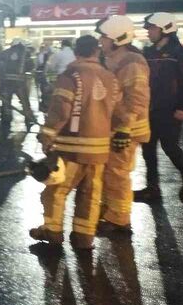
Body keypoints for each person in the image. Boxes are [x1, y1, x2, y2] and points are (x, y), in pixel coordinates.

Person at [30, 35, 122, 250]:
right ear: (96, 52)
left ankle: (52, 230)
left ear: (76, 52)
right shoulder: (110, 77)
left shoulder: (71, 75)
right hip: (99, 148)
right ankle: (84, 237)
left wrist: (47, 135)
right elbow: (117, 112)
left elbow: (61, 109)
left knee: (56, 190)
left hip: (71, 148)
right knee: (90, 193)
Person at [95, 15, 150, 234]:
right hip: (115, 127)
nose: (101, 42)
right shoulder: (115, 59)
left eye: (104, 38)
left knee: (117, 173)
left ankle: (119, 220)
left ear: (118, 38)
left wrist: (125, 128)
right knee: (109, 172)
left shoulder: (132, 62)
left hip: (126, 129)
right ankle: (111, 213)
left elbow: (136, 97)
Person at [135, 12, 183, 202]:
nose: (148, 32)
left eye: (151, 28)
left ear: (165, 29)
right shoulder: (149, 53)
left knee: (170, 146)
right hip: (150, 109)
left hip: (170, 110)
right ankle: (152, 188)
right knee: (148, 148)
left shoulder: (182, 54)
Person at [0, 38, 37, 129]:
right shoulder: (25, 53)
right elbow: (30, 65)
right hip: (19, 81)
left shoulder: (5, 53)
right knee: (24, 101)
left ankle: (6, 119)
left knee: (7, 101)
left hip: (6, 81)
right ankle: (29, 118)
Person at [35, 41, 54, 111]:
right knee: (46, 91)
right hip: (46, 76)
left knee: (44, 90)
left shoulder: (41, 55)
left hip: (43, 75)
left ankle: (45, 106)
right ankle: (46, 105)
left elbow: (37, 65)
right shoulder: (48, 56)